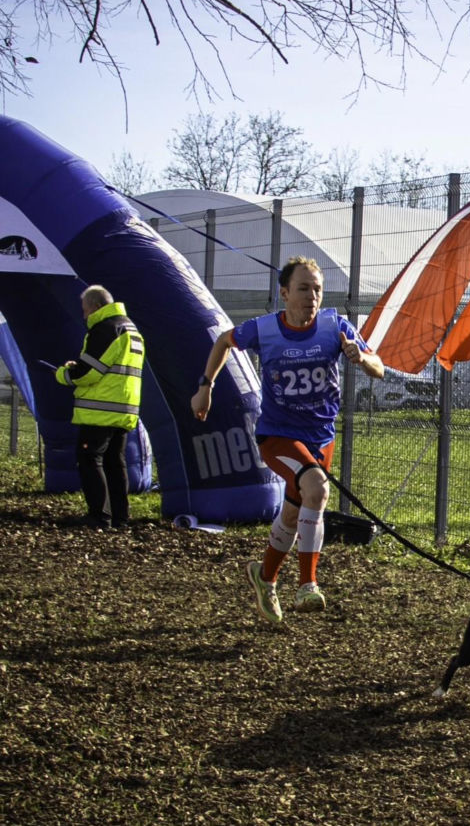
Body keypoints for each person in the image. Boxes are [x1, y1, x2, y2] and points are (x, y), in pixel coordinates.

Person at [191, 256, 384, 624]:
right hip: (278, 435)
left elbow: (380, 367)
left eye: (317, 289)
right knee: (317, 490)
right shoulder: (264, 330)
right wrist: (206, 387)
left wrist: (360, 358)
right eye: (303, 288)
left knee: (295, 512)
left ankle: (264, 578)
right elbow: (223, 341)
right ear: (284, 293)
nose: (312, 296)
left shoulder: (335, 327)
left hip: (320, 438)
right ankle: (307, 585)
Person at [55, 285, 145, 529]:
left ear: (96, 307)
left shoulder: (106, 328)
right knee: (115, 462)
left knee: (90, 459)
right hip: (124, 408)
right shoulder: (131, 329)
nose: (84, 316)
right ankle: (120, 517)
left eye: (85, 310)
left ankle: (99, 516)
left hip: (100, 410)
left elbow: (88, 372)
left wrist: (64, 373)